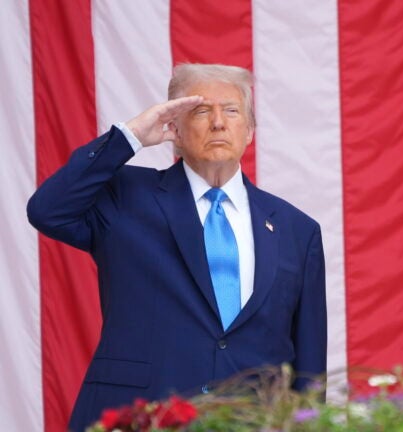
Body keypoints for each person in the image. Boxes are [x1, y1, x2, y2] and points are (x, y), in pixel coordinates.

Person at [27, 64, 327, 431]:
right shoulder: (125, 196)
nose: (219, 123)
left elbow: (309, 366)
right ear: (175, 131)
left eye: (232, 111)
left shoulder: (297, 229)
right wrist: (131, 136)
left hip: (253, 421)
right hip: (140, 416)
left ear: (249, 132)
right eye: (201, 111)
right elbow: (48, 210)